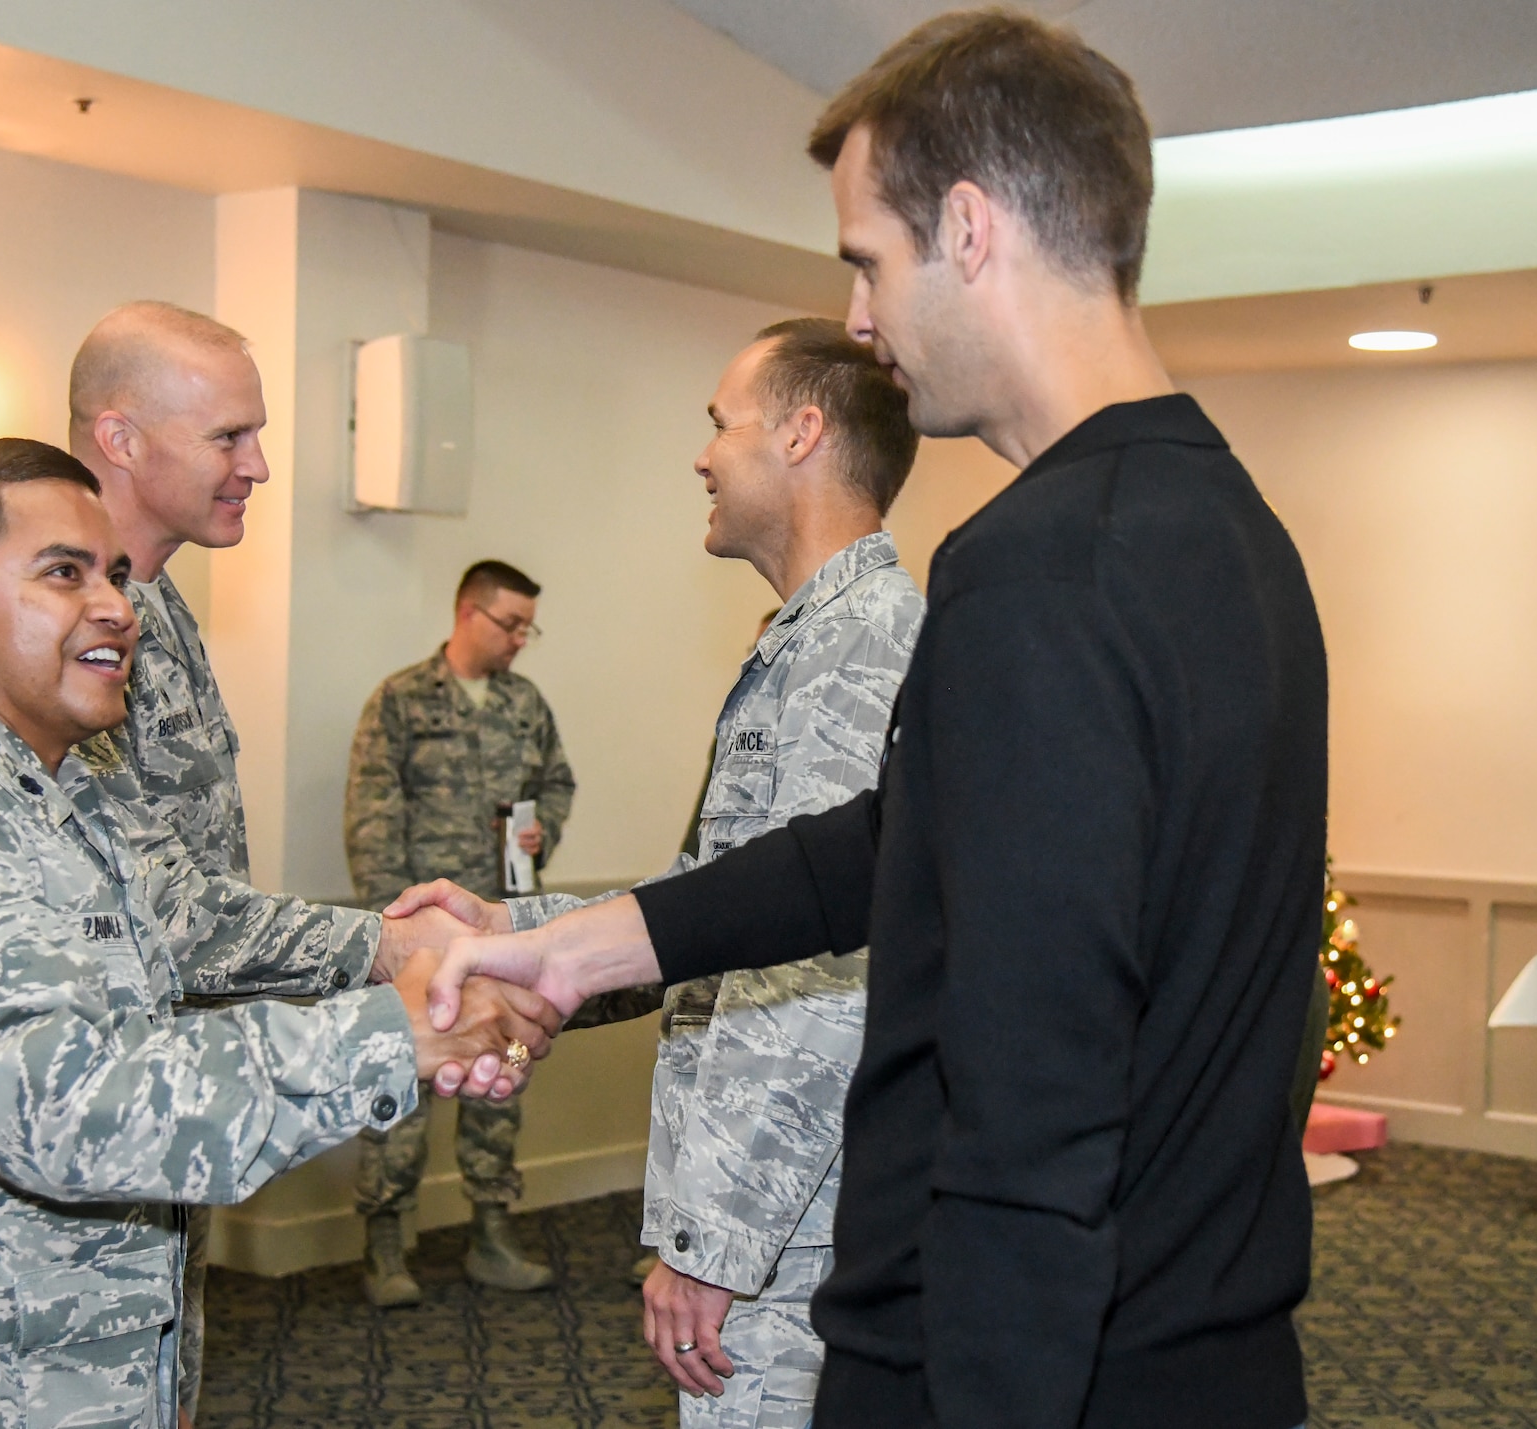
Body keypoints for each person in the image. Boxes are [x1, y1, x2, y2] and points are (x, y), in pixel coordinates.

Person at [424, 13, 1327, 1429]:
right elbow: (898, 843)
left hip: (1034, 1370)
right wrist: (572, 951)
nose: (858, 318)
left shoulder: (1042, 565)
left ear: (969, 230)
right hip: (1194, 1352)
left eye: (868, 260)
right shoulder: (1225, 528)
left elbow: (1035, 1102)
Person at [0, 437, 556, 1428]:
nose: (117, 608)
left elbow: (192, 920)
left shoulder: (53, 792)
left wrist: (395, 949)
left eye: (115, 574)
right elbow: (70, 1103)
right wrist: (398, 1029)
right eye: (62, 572)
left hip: (66, 1368)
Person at [396, 320, 922, 1426]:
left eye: (717, 424)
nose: (700, 456)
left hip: (792, 1220)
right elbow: (709, 905)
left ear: (799, 433)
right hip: (780, 1207)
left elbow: (812, 968)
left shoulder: (859, 644)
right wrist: (518, 926)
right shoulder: (807, 636)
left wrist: (712, 1242)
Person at [67, 301, 477, 1412]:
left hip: (174, 1088)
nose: (257, 465)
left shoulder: (163, 613)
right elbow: (167, 912)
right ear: (119, 438)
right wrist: (393, 946)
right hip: (90, 1109)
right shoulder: (74, 636)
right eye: (227, 438)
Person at [344, 559, 577, 1305]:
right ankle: (386, 1243)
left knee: (502, 1076)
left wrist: (544, 830)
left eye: (526, 627)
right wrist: (397, 934)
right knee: (402, 1087)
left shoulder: (524, 704)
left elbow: (557, 784)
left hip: (505, 936)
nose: (519, 639)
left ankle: (491, 1231)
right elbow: (371, 818)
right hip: (422, 944)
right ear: (468, 613)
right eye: (511, 623)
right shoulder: (403, 700)